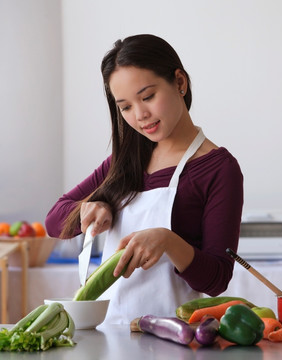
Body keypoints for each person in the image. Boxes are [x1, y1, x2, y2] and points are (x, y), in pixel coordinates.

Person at [45, 34, 244, 324]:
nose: (140, 116)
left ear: (179, 82)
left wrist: (167, 241)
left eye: (148, 96)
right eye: (125, 107)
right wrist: (93, 206)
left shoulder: (219, 169)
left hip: (174, 338)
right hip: (108, 333)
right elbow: (54, 222)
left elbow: (216, 279)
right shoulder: (124, 162)